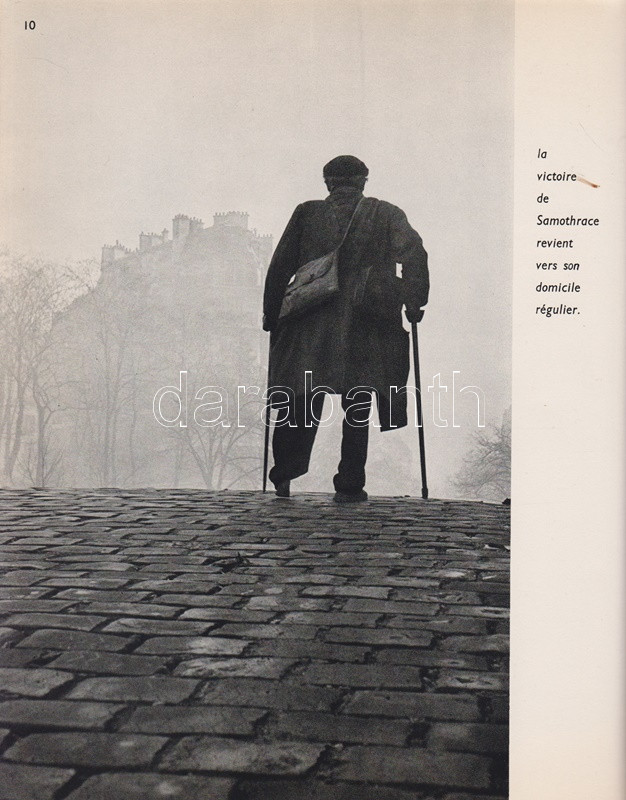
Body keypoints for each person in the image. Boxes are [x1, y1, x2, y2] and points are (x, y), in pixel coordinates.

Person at [262, 155, 429, 502]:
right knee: (358, 399)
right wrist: (414, 301)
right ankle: (350, 483)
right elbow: (414, 255)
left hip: (309, 323)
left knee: (301, 397)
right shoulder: (386, 214)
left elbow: (280, 266)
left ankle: (284, 474)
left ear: (327, 183)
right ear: (364, 181)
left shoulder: (307, 213)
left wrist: (271, 313)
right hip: (365, 323)